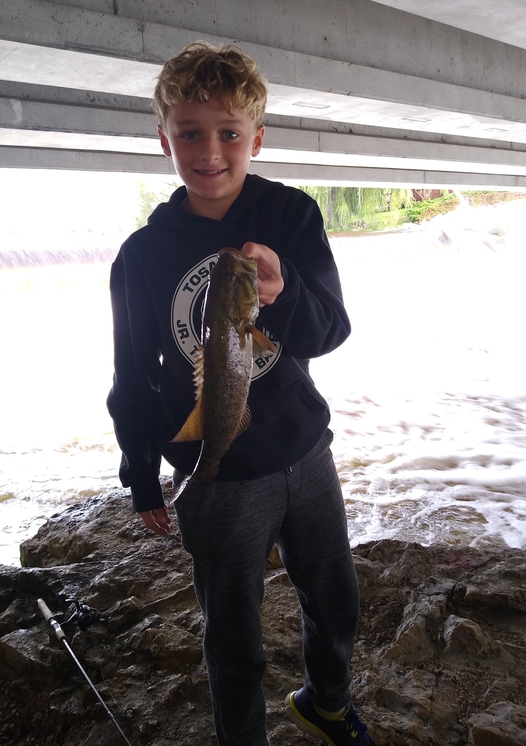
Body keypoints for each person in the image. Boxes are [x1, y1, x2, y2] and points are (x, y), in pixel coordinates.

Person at [107, 41, 376, 746]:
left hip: (305, 452)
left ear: (257, 137)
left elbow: (331, 330)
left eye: (230, 132)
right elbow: (132, 375)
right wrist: (142, 475)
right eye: (190, 133)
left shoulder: (290, 215)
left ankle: (326, 703)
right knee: (233, 634)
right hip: (216, 479)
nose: (210, 152)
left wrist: (284, 293)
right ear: (163, 138)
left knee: (336, 598)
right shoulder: (142, 255)